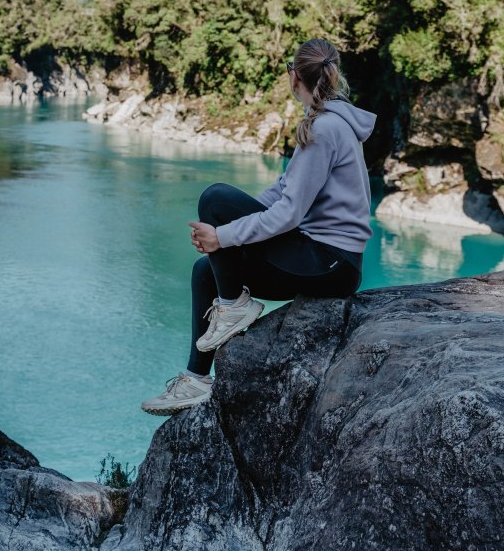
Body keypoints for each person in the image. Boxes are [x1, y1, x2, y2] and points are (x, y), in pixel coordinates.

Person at [140, 37, 377, 416]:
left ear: (294, 76)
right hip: (324, 260)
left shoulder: (326, 129)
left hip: (330, 262)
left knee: (215, 198)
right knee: (205, 270)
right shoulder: (326, 122)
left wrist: (223, 234)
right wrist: (228, 230)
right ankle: (196, 379)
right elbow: (283, 192)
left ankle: (232, 307)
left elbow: (289, 214)